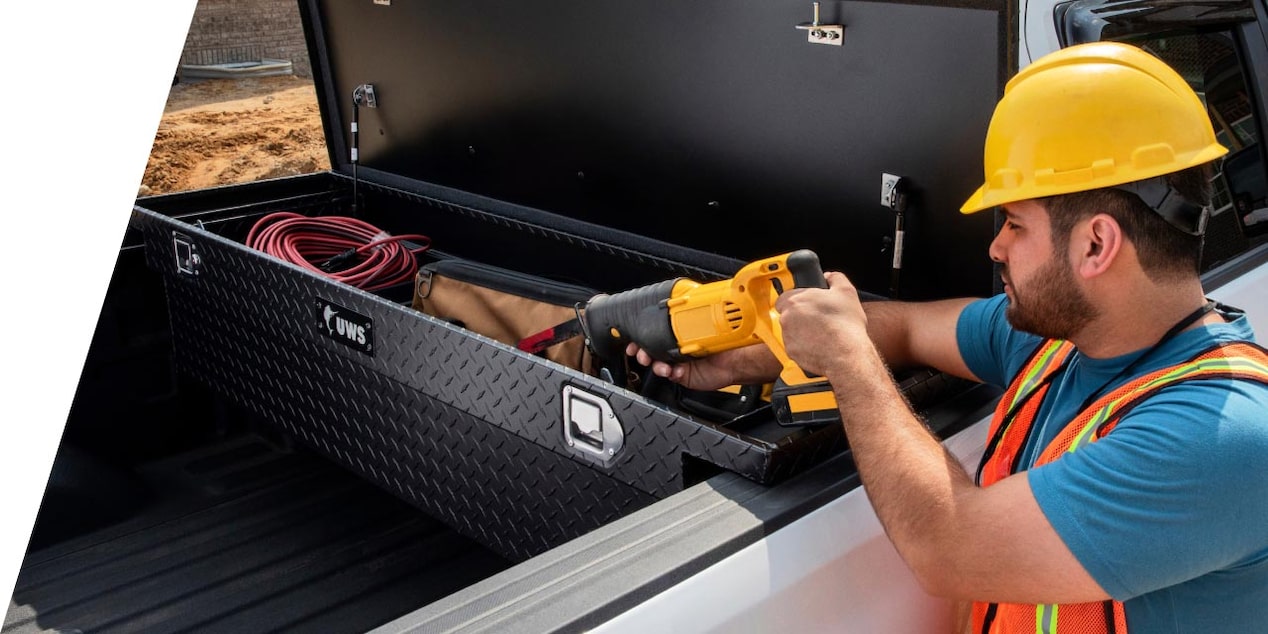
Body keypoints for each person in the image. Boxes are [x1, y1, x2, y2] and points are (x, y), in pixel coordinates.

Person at [628, 41, 1268, 632]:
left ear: (1096, 243)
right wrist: (746, 356)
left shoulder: (1219, 443)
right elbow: (904, 327)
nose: (995, 247)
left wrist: (849, 362)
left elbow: (948, 546)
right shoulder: (1064, 340)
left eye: (1014, 224)